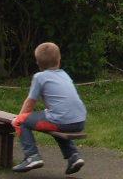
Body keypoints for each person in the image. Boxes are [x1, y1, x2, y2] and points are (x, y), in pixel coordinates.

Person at [12, 42, 87, 174]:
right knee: (55, 124)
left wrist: (19, 118)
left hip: (61, 120)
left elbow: (30, 102)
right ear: (59, 60)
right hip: (79, 121)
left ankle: (32, 156)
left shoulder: (39, 77)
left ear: (38, 63)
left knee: (21, 121)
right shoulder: (64, 74)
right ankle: (73, 156)